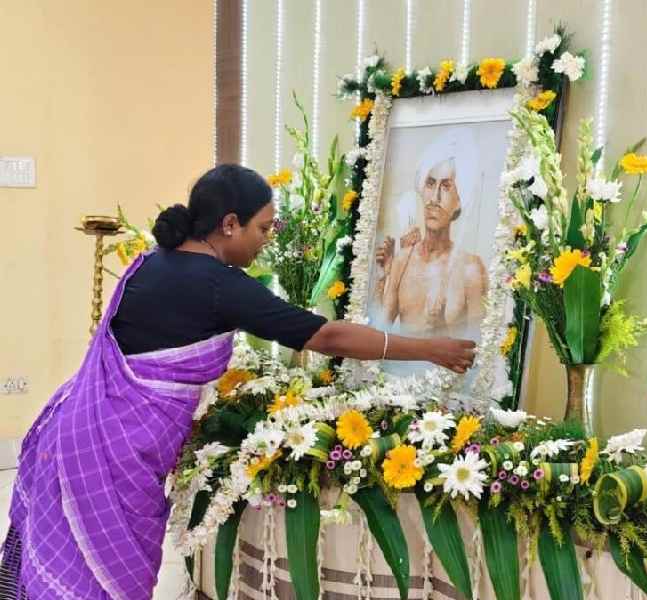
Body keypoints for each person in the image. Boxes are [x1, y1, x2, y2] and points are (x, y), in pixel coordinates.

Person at [0, 164, 476, 600]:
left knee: (84, 569)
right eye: (263, 228)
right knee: (101, 577)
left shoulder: (151, 261)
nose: (266, 240)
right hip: (112, 453)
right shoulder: (219, 284)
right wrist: (431, 349)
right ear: (230, 224)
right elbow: (325, 335)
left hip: (73, 431)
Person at [374, 132, 488, 340]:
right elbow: (382, 334)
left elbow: (479, 351)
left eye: (446, 187)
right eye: (430, 183)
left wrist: (442, 327)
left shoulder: (471, 269)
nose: (434, 198)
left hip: (445, 371)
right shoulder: (403, 260)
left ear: (460, 200)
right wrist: (384, 276)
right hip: (400, 370)